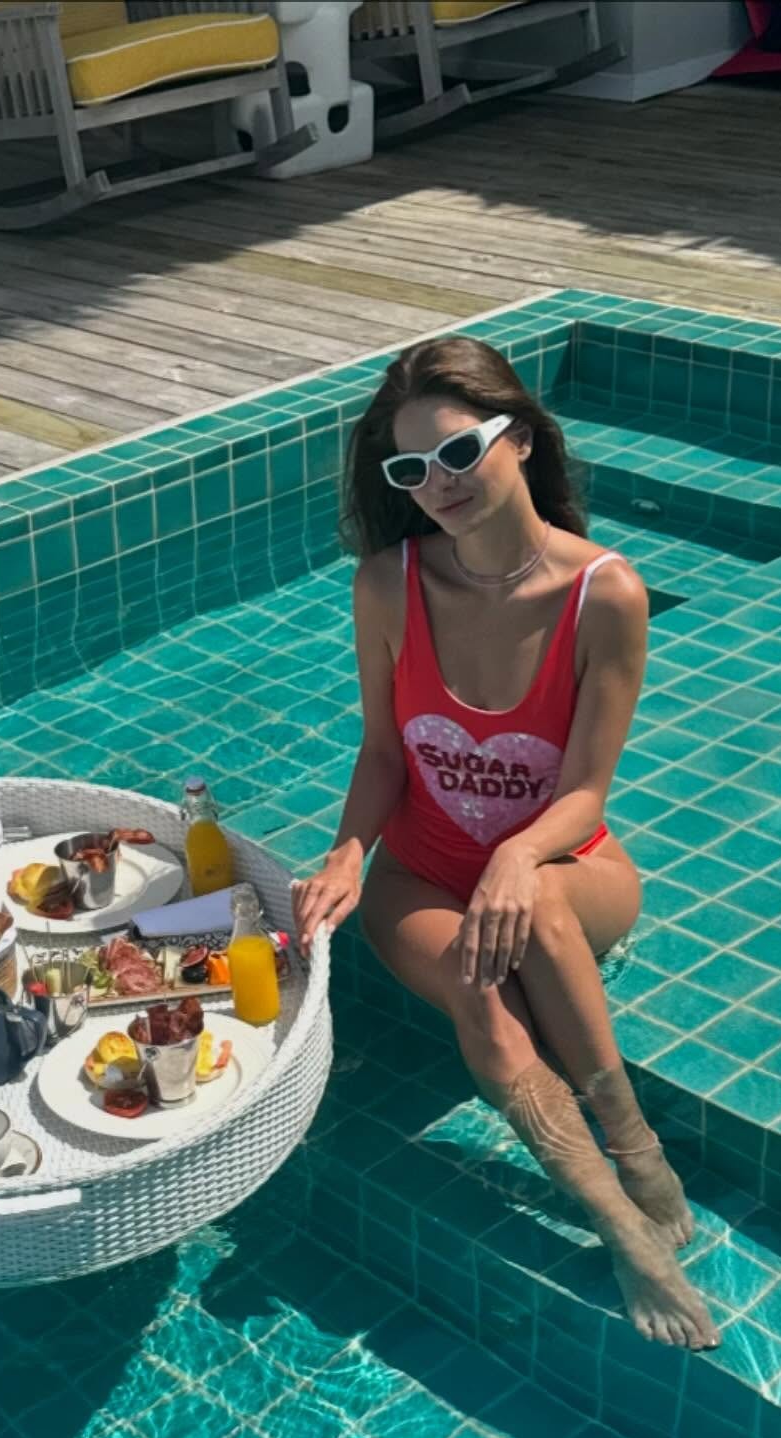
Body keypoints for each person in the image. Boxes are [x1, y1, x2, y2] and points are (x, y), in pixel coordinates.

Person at [292, 336, 718, 1353]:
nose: (437, 484)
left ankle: (635, 1141)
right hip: (422, 881)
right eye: (411, 469)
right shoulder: (387, 584)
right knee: (481, 993)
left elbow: (585, 793)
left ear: (518, 437)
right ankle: (617, 1223)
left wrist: (519, 858)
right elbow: (385, 753)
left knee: (540, 905)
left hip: (571, 869)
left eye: (458, 452)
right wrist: (348, 851)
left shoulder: (603, 593)